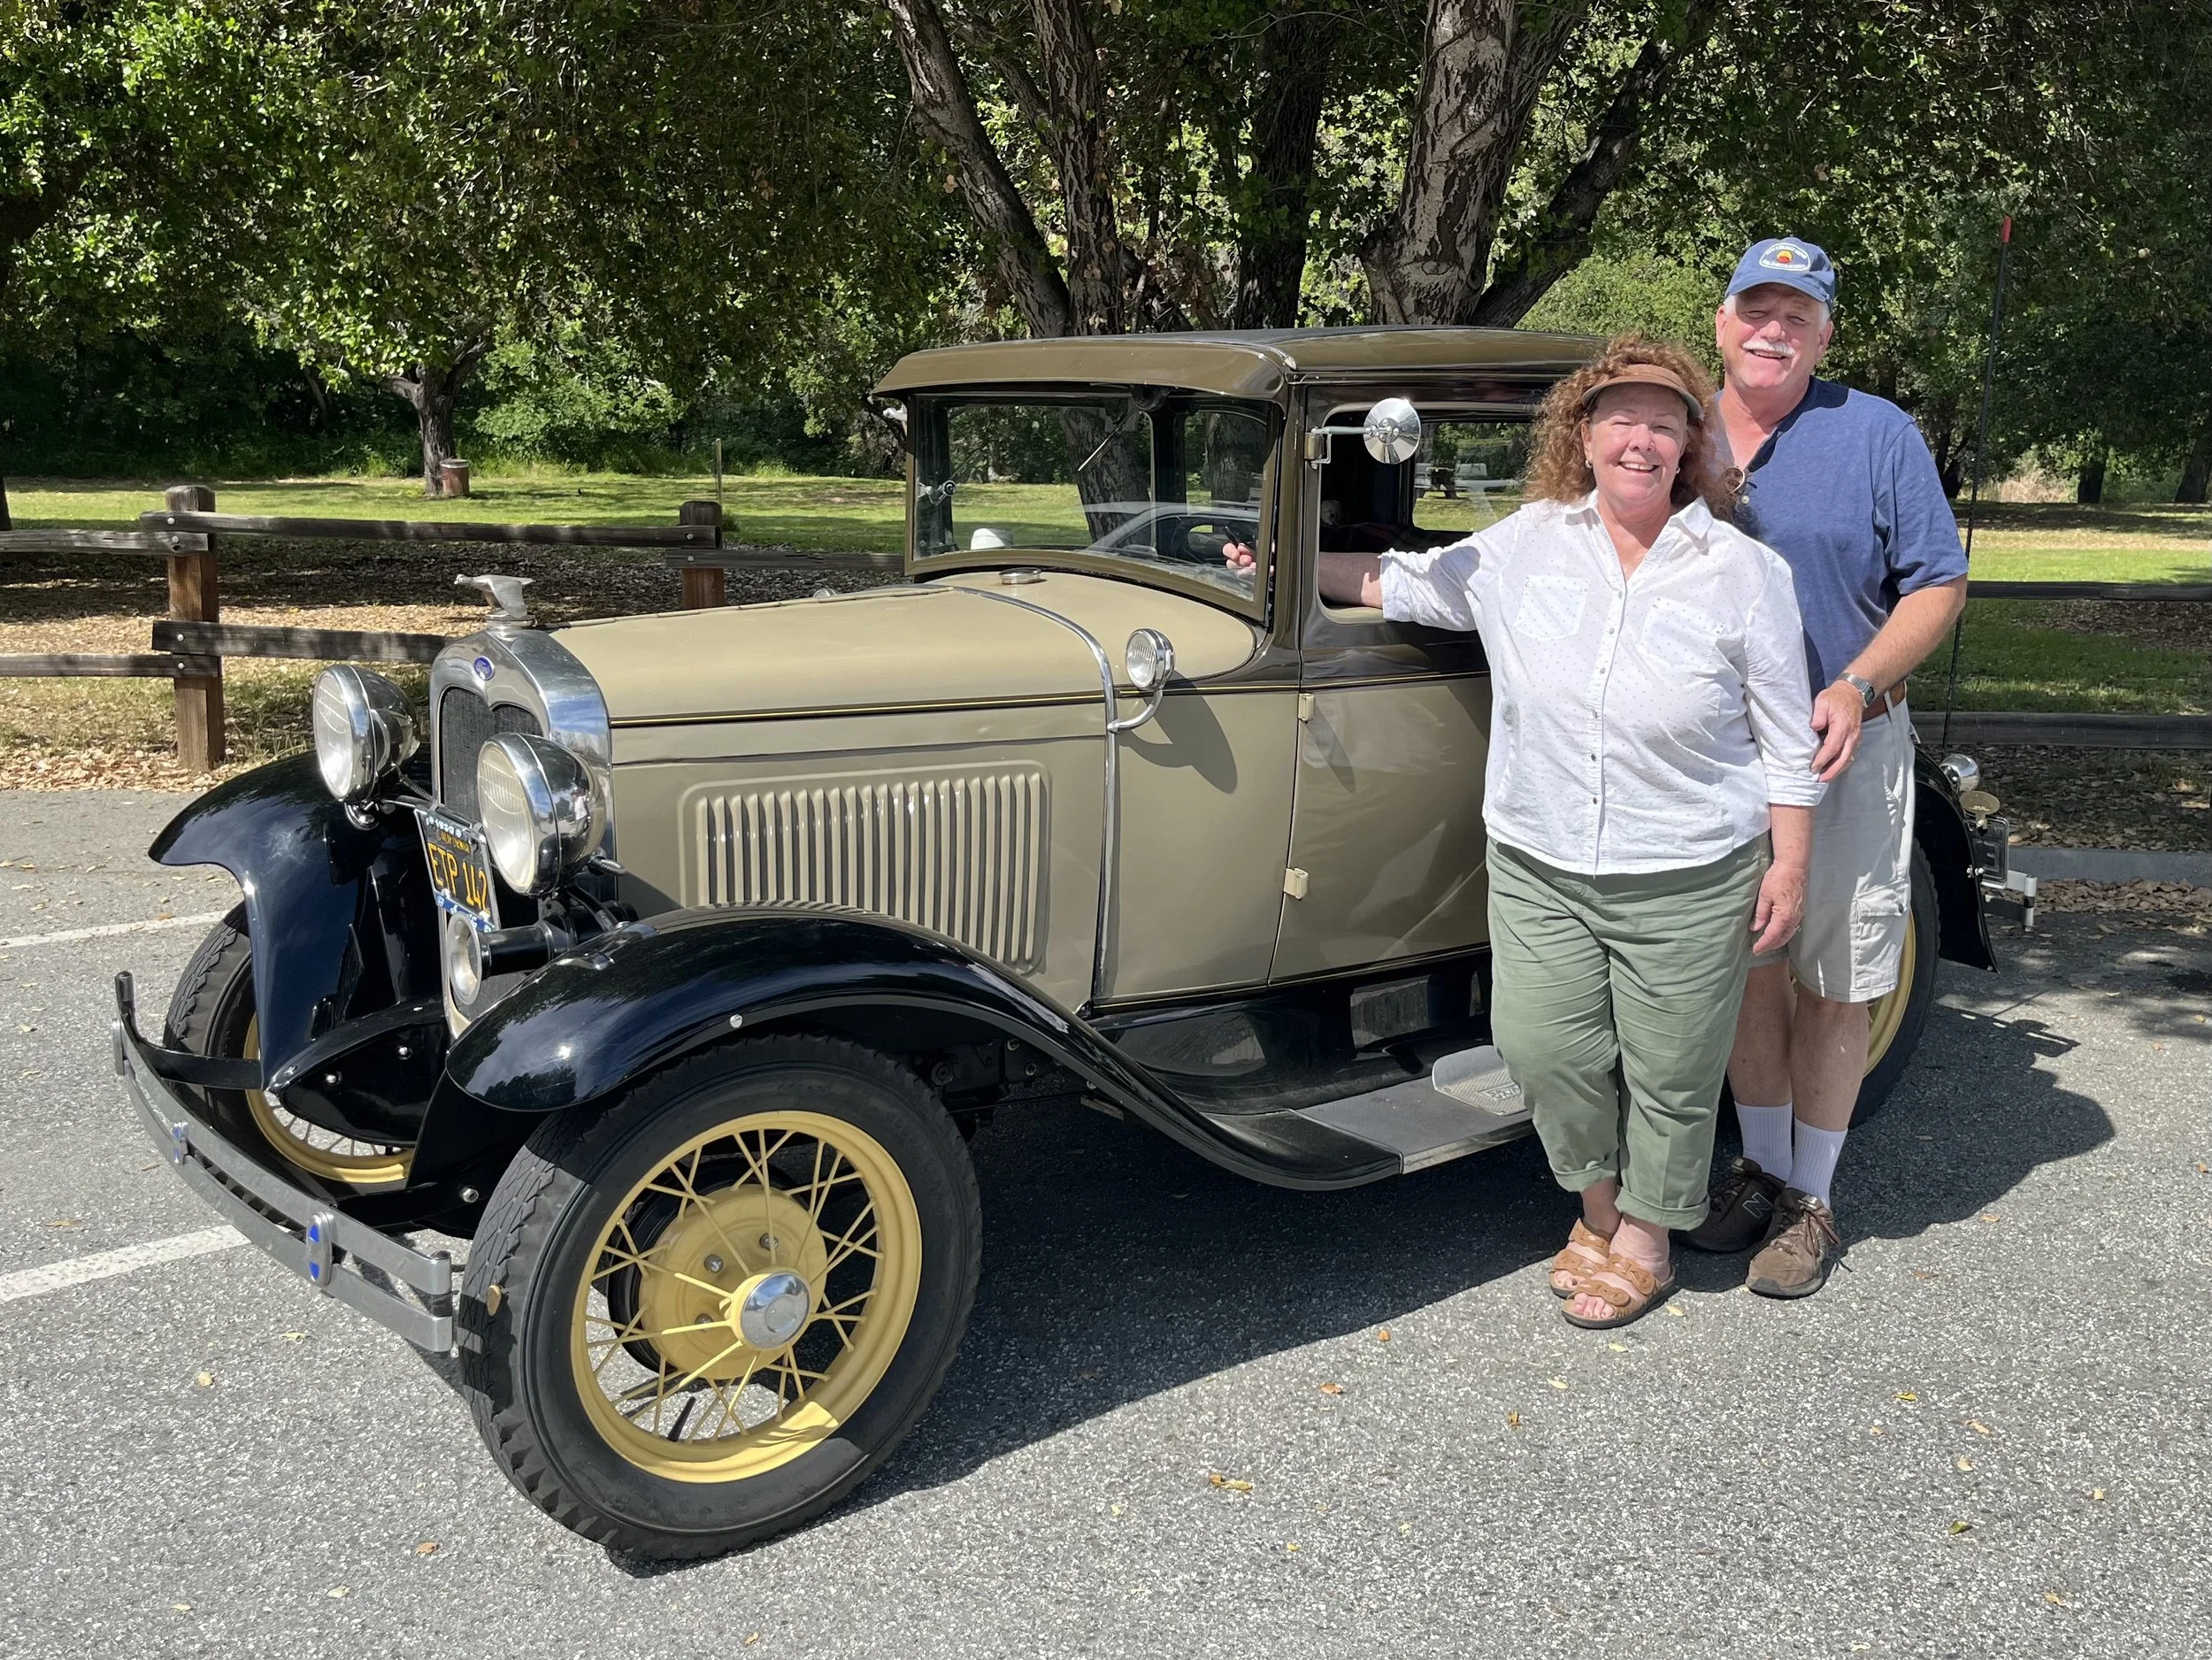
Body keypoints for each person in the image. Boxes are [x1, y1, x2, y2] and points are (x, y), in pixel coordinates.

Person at [1234, 337, 1824, 1328]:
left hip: (1687, 865)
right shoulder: (1527, 542)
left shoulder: (1743, 571)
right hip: (1540, 859)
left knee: (1674, 1069)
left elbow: (1784, 736)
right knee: (1542, 1045)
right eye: (1620, 419)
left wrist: (1790, 864)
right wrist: (1285, 564)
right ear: (1582, 434)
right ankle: (1597, 1206)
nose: (1640, 440)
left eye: (1664, 423)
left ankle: (1646, 1238)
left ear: (1688, 446)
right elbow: (1407, 582)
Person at [1686, 239, 1970, 1299]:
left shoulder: (1876, 433)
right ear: (1721, 321)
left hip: (1839, 741)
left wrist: (1855, 682)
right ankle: (1759, 1169)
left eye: (1796, 316)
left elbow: (1937, 584)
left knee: (1836, 975)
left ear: (1823, 335)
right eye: (1756, 309)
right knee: (1747, 968)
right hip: (1712, 756)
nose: (1773, 330)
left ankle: (1811, 1198)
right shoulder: (1675, 427)